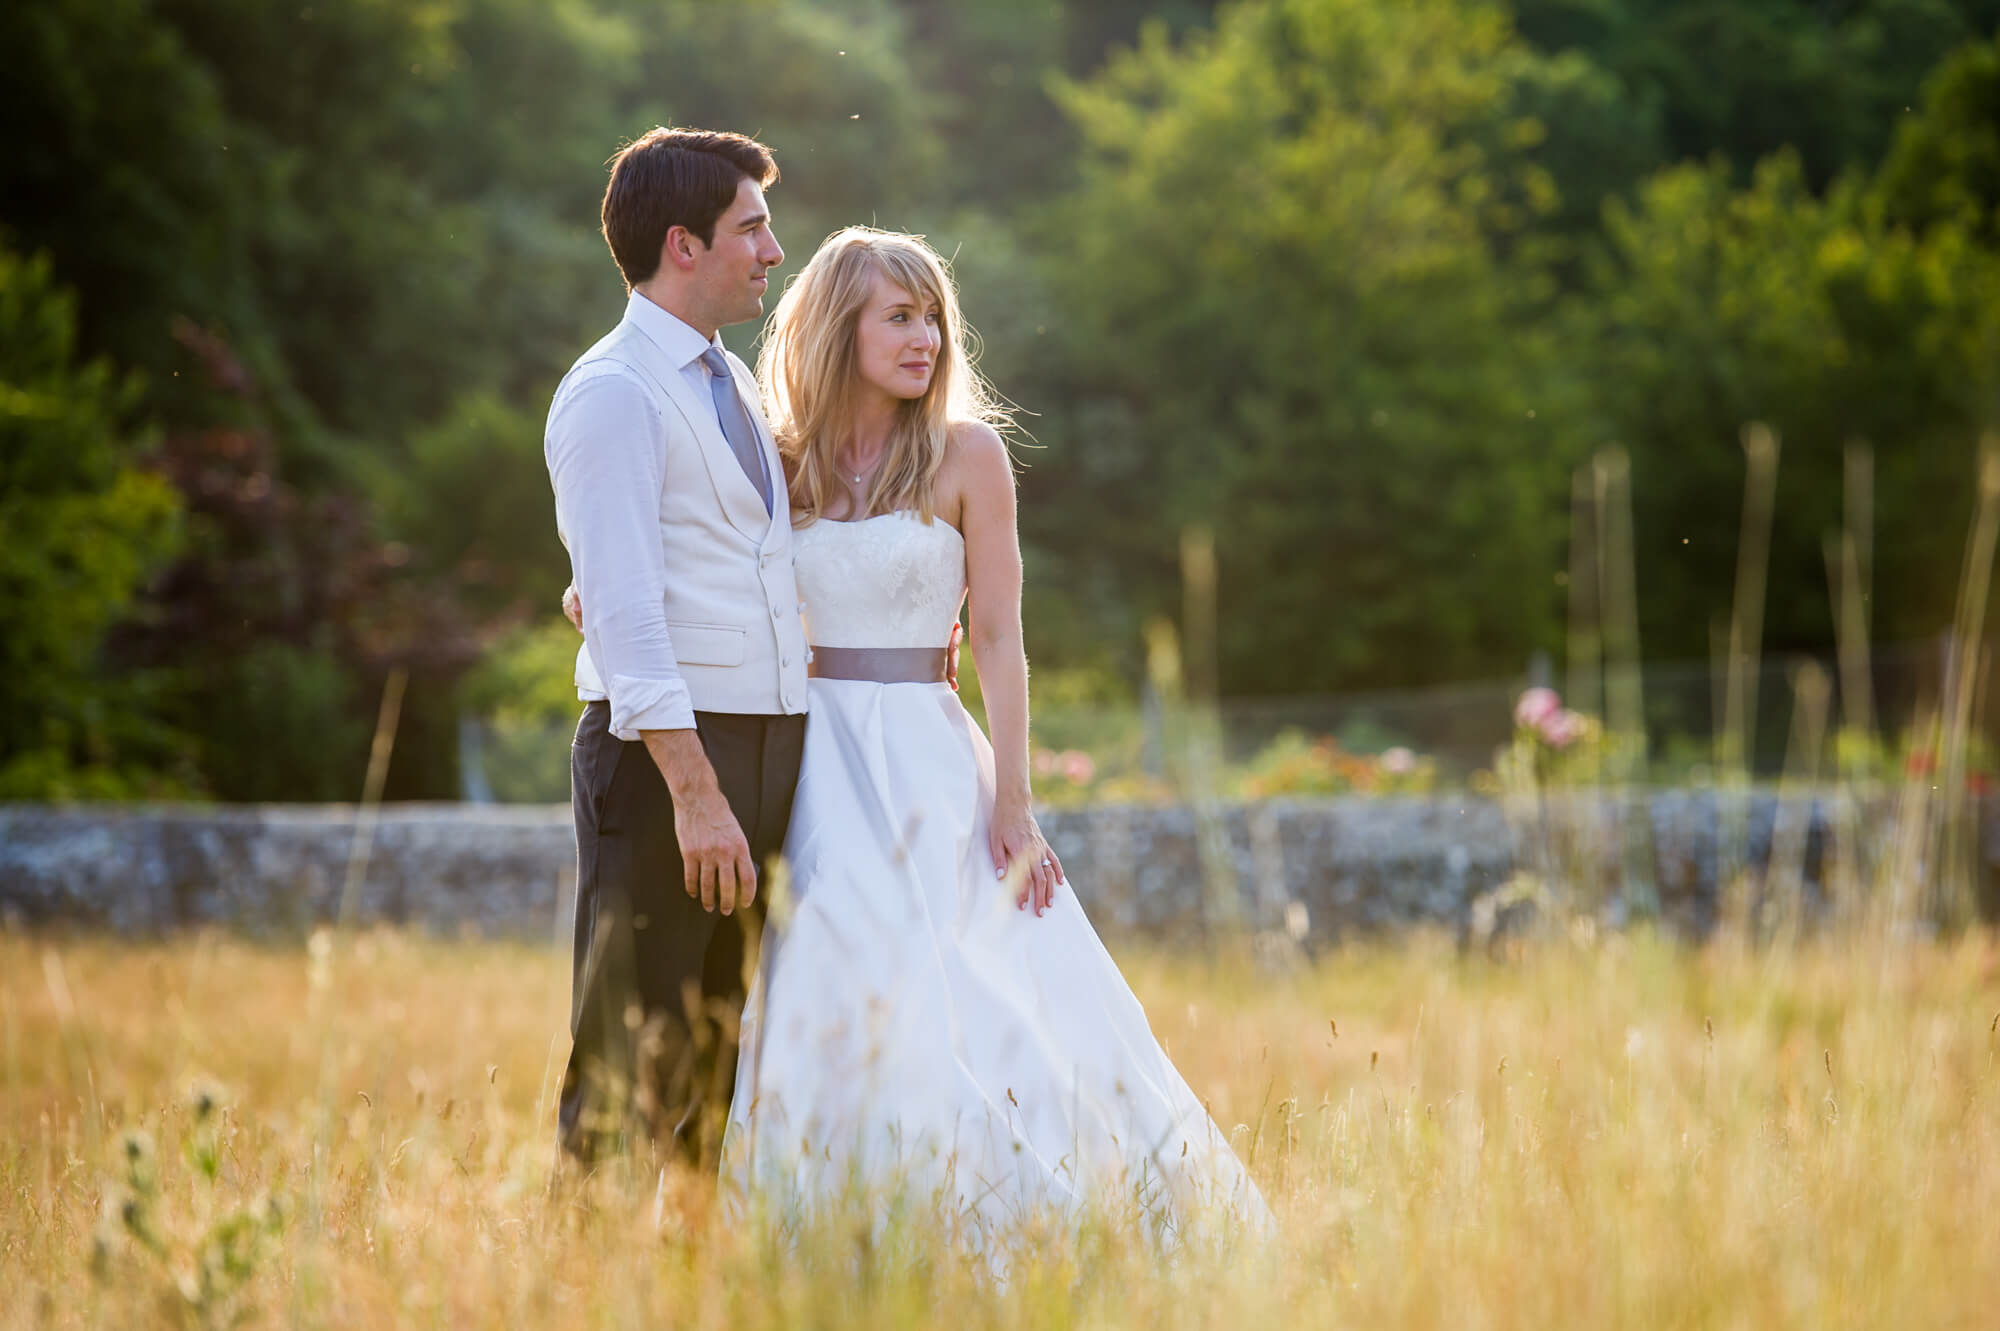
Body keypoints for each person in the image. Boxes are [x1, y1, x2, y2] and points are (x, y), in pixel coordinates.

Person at [569, 224, 1270, 1241]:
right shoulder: (777, 459)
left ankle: (997, 1218)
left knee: (968, 981)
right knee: (818, 974)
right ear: (836, 326)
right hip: (804, 757)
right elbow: (683, 557)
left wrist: (1013, 799)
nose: (926, 337)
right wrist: (595, 589)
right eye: (898, 315)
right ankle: (826, 1227)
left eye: (933, 317)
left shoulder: (967, 456)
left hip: (926, 758)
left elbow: (997, 636)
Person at [543, 127, 804, 1169]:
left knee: (712, 1057)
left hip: (764, 744)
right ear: (681, 244)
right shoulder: (613, 390)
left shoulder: (729, 383)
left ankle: (685, 1291)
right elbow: (627, 608)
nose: (772, 251)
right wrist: (696, 793)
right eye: (752, 228)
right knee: (623, 1050)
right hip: (666, 765)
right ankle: (574, 1289)